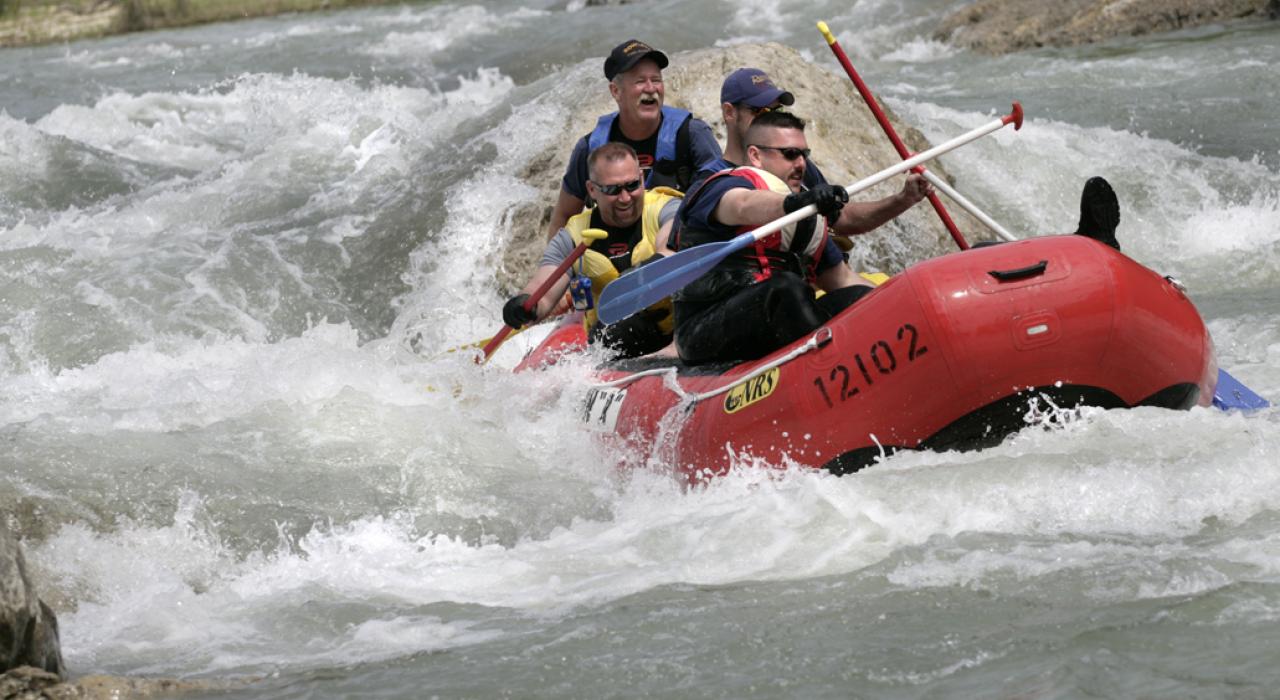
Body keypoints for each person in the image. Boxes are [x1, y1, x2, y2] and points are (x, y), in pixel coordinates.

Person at [671, 110, 932, 366]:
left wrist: (900, 311)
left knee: (856, 297)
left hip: (779, 320)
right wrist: (799, 201)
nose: (801, 164)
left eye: (804, 154)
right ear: (755, 156)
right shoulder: (720, 187)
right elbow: (743, 204)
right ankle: (827, 365)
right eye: (790, 154)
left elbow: (841, 278)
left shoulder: (805, 217)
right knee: (786, 288)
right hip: (705, 328)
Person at [505, 143, 682, 358]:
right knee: (619, 331)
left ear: (642, 178)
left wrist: (651, 266)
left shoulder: (666, 208)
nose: (625, 198)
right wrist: (526, 305)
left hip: (675, 327)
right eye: (613, 190)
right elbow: (543, 291)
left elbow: (671, 241)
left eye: (633, 185)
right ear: (592, 190)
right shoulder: (572, 237)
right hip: (616, 339)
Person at [545, 39, 722, 239]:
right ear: (616, 91)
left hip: (680, 246)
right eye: (640, 81)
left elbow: (723, 193)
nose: (650, 88)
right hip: (615, 257)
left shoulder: (692, 134)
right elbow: (565, 215)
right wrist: (554, 265)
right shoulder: (591, 148)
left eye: (656, 80)